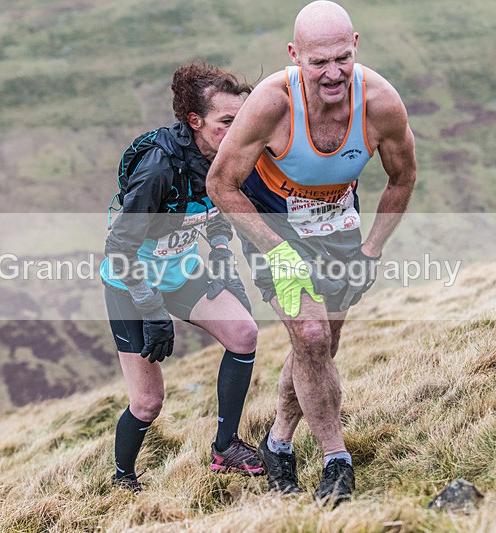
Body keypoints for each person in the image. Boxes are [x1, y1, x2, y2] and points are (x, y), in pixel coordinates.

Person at [206, 1, 417, 504]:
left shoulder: (380, 102)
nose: (333, 73)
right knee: (312, 332)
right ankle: (336, 459)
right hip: (271, 226)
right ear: (294, 55)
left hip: (338, 227)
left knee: (321, 346)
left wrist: (371, 251)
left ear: (356, 46)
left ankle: (278, 441)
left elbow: (403, 176)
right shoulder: (271, 104)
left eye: (342, 58)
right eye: (319, 62)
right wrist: (276, 250)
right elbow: (220, 183)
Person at [100, 62, 264, 491]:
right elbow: (118, 247)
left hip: (181, 272)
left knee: (244, 333)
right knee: (148, 402)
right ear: (195, 121)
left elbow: (217, 212)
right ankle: (123, 479)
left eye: (241, 119)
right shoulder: (159, 169)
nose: (237, 130)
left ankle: (225, 448)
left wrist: (223, 258)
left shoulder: (226, 157)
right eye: (226, 121)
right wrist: (150, 308)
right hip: (131, 283)